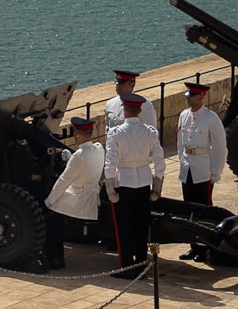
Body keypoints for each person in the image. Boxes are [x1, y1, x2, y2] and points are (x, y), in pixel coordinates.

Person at [105, 89, 163, 280]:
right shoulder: (150, 132)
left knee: (124, 228)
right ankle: (141, 265)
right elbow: (160, 162)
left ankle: (127, 267)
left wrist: (110, 187)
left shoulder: (116, 133)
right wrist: (157, 187)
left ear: (125, 110)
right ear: (139, 111)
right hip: (144, 183)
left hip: (125, 183)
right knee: (141, 227)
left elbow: (110, 163)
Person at [46, 111, 106, 249]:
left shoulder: (79, 156)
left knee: (52, 215)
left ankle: (55, 255)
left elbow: (64, 180)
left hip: (80, 198)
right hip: (91, 193)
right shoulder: (98, 148)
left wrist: (49, 201)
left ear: (78, 134)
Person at [174, 79, 226, 205]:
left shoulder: (211, 118)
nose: (188, 98)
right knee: (188, 205)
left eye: (192, 96)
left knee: (204, 206)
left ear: (202, 96)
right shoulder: (183, 115)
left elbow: (220, 148)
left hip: (203, 170)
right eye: (188, 95)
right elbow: (181, 144)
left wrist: (215, 173)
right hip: (187, 168)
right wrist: (182, 161)